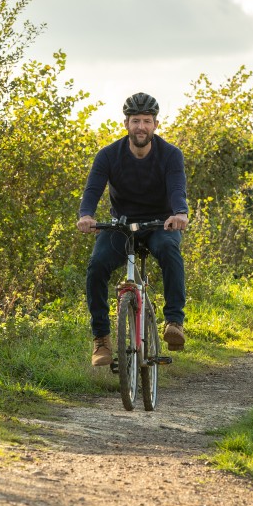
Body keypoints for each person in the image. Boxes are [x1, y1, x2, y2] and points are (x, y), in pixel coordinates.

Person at [76, 92, 190, 368]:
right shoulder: (108, 155)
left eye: (147, 121)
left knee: (169, 250)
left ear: (155, 125)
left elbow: (176, 187)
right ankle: (101, 338)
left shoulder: (171, 155)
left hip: (160, 224)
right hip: (121, 224)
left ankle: (174, 322)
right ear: (126, 123)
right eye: (136, 120)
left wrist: (180, 213)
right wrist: (86, 216)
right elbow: (93, 189)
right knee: (97, 266)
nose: (141, 126)